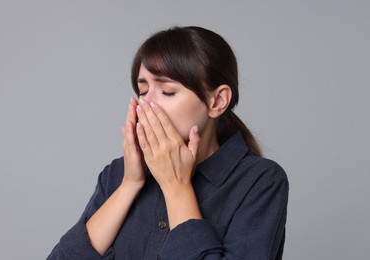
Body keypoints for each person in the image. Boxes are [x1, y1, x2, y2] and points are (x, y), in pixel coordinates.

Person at [47, 26, 288, 260]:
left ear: (217, 101)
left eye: (168, 92)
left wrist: (177, 188)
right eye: (143, 91)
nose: (147, 104)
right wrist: (130, 185)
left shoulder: (260, 182)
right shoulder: (116, 175)